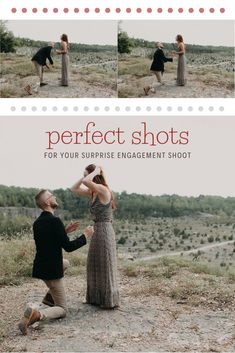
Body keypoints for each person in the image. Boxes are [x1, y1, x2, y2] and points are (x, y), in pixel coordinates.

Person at [18, 189, 94, 335]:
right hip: (51, 272)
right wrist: (85, 235)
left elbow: (50, 240)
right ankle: (36, 315)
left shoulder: (38, 222)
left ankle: (48, 298)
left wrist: (64, 231)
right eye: (52, 196)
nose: (55, 197)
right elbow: (69, 247)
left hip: (41, 267)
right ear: (47, 202)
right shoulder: (54, 221)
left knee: (65, 263)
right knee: (63, 309)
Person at [71, 165, 119, 309]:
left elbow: (86, 182)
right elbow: (73, 188)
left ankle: (107, 300)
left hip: (104, 229)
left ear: (94, 176)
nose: (85, 177)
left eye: (87, 175)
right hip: (97, 228)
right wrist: (85, 174)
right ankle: (94, 298)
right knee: (93, 263)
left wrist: (96, 171)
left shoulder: (103, 190)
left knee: (105, 264)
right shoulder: (93, 192)